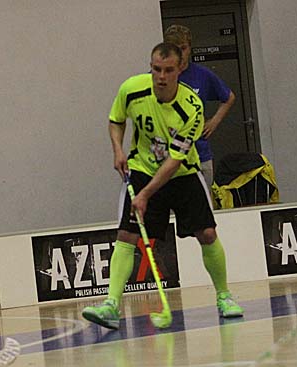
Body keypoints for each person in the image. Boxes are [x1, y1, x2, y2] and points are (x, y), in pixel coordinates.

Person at [82, 42, 244, 330]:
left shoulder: (191, 107)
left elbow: (174, 160)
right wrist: (117, 149)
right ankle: (111, 305)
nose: (161, 76)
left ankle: (224, 296)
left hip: (182, 173)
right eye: (156, 69)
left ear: (180, 69)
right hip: (142, 169)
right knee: (126, 235)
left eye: (168, 70)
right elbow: (116, 121)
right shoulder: (132, 89)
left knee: (207, 233)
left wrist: (145, 195)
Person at [163, 25, 236, 188]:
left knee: (203, 200)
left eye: (183, 48)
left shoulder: (202, 75)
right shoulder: (160, 76)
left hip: (199, 153)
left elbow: (228, 97)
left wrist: (214, 122)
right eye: (175, 49)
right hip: (169, 155)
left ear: (189, 48)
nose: (180, 54)